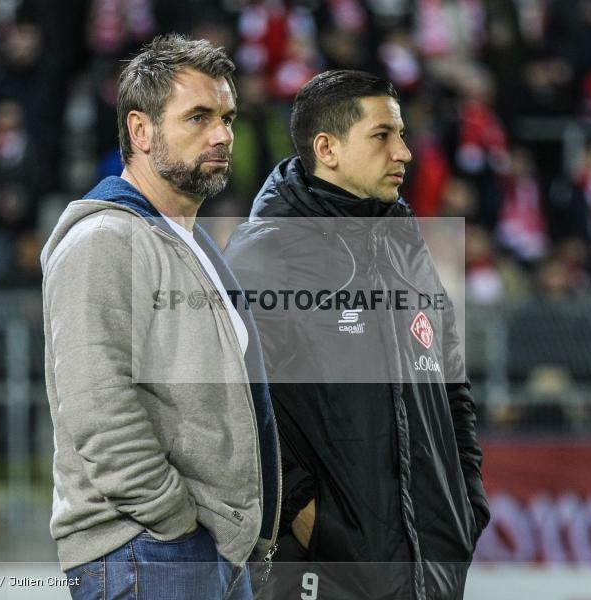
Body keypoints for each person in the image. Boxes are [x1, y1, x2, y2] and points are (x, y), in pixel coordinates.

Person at [225, 70, 490, 600]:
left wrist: (466, 505)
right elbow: (233, 412)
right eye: (382, 136)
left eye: (403, 135)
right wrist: (312, 521)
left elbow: (451, 387)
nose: (404, 153)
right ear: (327, 148)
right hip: (322, 573)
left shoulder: (407, 245)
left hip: (429, 570)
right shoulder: (263, 257)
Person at [41, 35, 280, 600]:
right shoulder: (103, 240)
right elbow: (98, 409)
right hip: (151, 551)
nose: (222, 134)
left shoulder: (190, 241)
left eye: (227, 116)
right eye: (197, 117)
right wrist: (176, 523)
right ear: (141, 132)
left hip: (201, 552)